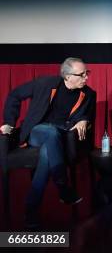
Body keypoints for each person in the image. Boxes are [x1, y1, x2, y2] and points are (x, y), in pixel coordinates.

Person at [1, 57, 96, 228]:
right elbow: (15, 94)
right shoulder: (45, 83)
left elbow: (87, 115)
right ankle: (62, 186)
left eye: (86, 73)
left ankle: (31, 210)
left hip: (62, 135)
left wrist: (83, 120)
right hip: (38, 130)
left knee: (47, 153)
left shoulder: (88, 94)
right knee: (50, 132)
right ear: (67, 76)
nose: (86, 77)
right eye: (81, 74)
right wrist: (10, 122)